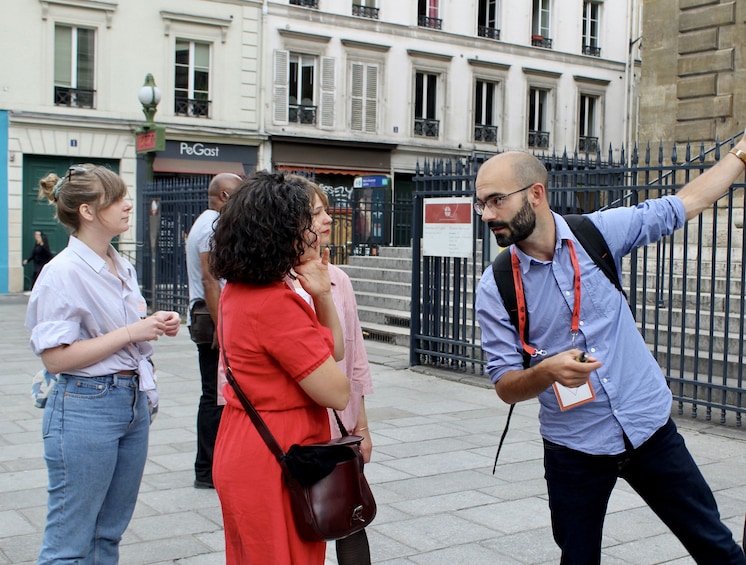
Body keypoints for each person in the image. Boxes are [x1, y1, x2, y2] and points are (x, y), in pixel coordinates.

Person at [475, 138, 746, 565]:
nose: (487, 214)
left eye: (495, 200)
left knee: (717, 548)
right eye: (481, 204)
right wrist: (546, 371)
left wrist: (740, 154)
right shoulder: (496, 287)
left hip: (649, 429)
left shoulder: (597, 233)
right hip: (573, 449)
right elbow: (505, 386)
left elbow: (686, 203)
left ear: (536, 194)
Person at [25, 164, 181, 564]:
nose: (128, 204)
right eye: (116, 199)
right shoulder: (61, 272)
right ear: (88, 212)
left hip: (131, 402)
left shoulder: (120, 263)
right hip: (85, 405)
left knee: (108, 533)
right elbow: (56, 358)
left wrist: (155, 324)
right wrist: (132, 332)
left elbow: (123, 330)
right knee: (69, 543)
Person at [210, 171, 350, 565]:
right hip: (276, 454)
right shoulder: (273, 303)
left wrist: (321, 294)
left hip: (251, 442)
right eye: (308, 220)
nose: (319, 229)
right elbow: (337, 391)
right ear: (281, 231)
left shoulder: (243, 288)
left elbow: (333, 349)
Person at [292, 178, 374, 564]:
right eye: (318, 212)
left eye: (327, 210)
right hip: (300, 426)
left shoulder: (339, 279)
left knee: (347, 514)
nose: (329, 218)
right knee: (304, 524)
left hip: (340, 422)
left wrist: (362, 427)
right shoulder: (278, 284)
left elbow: (353, 357)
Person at [186, 172, 242, 489]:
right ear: (223, 196)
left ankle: (208, 467)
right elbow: (210, 279)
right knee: (213, 395)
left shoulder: (204, 222)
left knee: (213, 393)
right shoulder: (211, 226)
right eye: (236, 195)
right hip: (210, 316)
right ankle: (205, 470)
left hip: (207, 314)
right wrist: (223, 327)